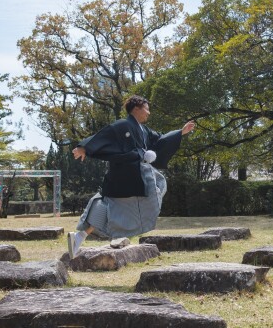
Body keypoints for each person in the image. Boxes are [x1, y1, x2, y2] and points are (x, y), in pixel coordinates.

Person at [67, 95, 195, 257]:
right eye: (146, 109)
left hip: (137, 177)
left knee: (114, 205)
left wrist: (179, 133)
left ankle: (81, 237)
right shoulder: (122, 125)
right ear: (136, 108)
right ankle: (82, 237)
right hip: (123, 175)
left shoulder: (144, 130)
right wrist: (84, 147)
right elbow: (104, 135)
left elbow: (160, 141)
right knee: (109, 206)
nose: (148, 113)